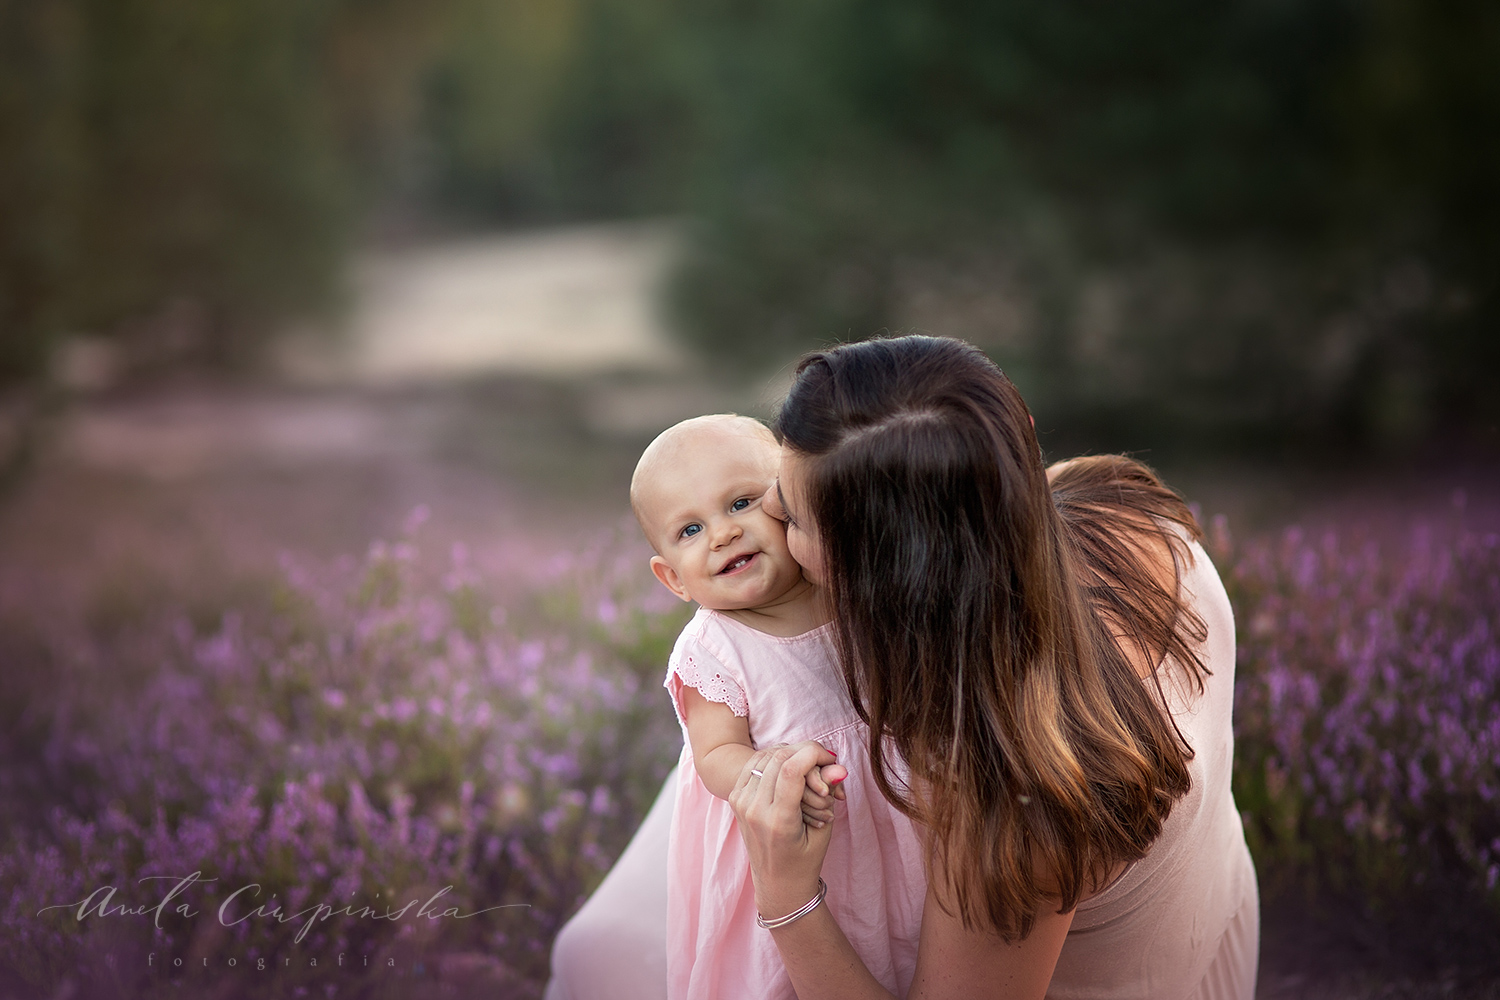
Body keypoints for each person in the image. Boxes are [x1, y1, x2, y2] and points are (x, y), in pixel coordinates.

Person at [731, 335, 1260, 1000]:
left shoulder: (1012, 802)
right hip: (1216, 920)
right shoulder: (1123, 505)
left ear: (880, 575)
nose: (766, 509)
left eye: (793, 515)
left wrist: (786, 895)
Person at [620, 414, 925, 1000]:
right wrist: (770, 771)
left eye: (741, 503)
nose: (723, 534)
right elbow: (715, 754)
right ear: (672, 579)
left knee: (902, 935)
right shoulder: (715, 647)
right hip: (794, 838)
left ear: (788, 504)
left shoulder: (844, 588)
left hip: (895, 821)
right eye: (690, 530)